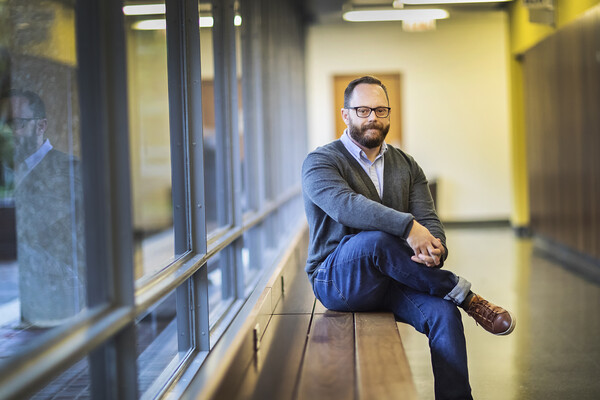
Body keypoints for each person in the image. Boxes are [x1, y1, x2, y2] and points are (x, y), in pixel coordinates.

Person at [301, 76, 515, 400]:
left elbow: (428, 218)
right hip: (337, 280)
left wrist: (436, 249)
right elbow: (347, 207)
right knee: (376, 241)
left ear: (388, 114)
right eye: (362, 110)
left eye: (380, 109)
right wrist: (407, 228)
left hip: (393, 278)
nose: (372, 117)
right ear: (345, 115)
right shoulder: (320, 162)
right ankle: (465, 295)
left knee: (445, 315)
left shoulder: (406, 164)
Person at [1, 89, 85, 327]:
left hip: (66, 307)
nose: (9, 133)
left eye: (18, 123)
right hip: (36, 305)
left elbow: (35, 233)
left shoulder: (67, 170)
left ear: (41, 126)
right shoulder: (15, 169)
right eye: (7, 124)